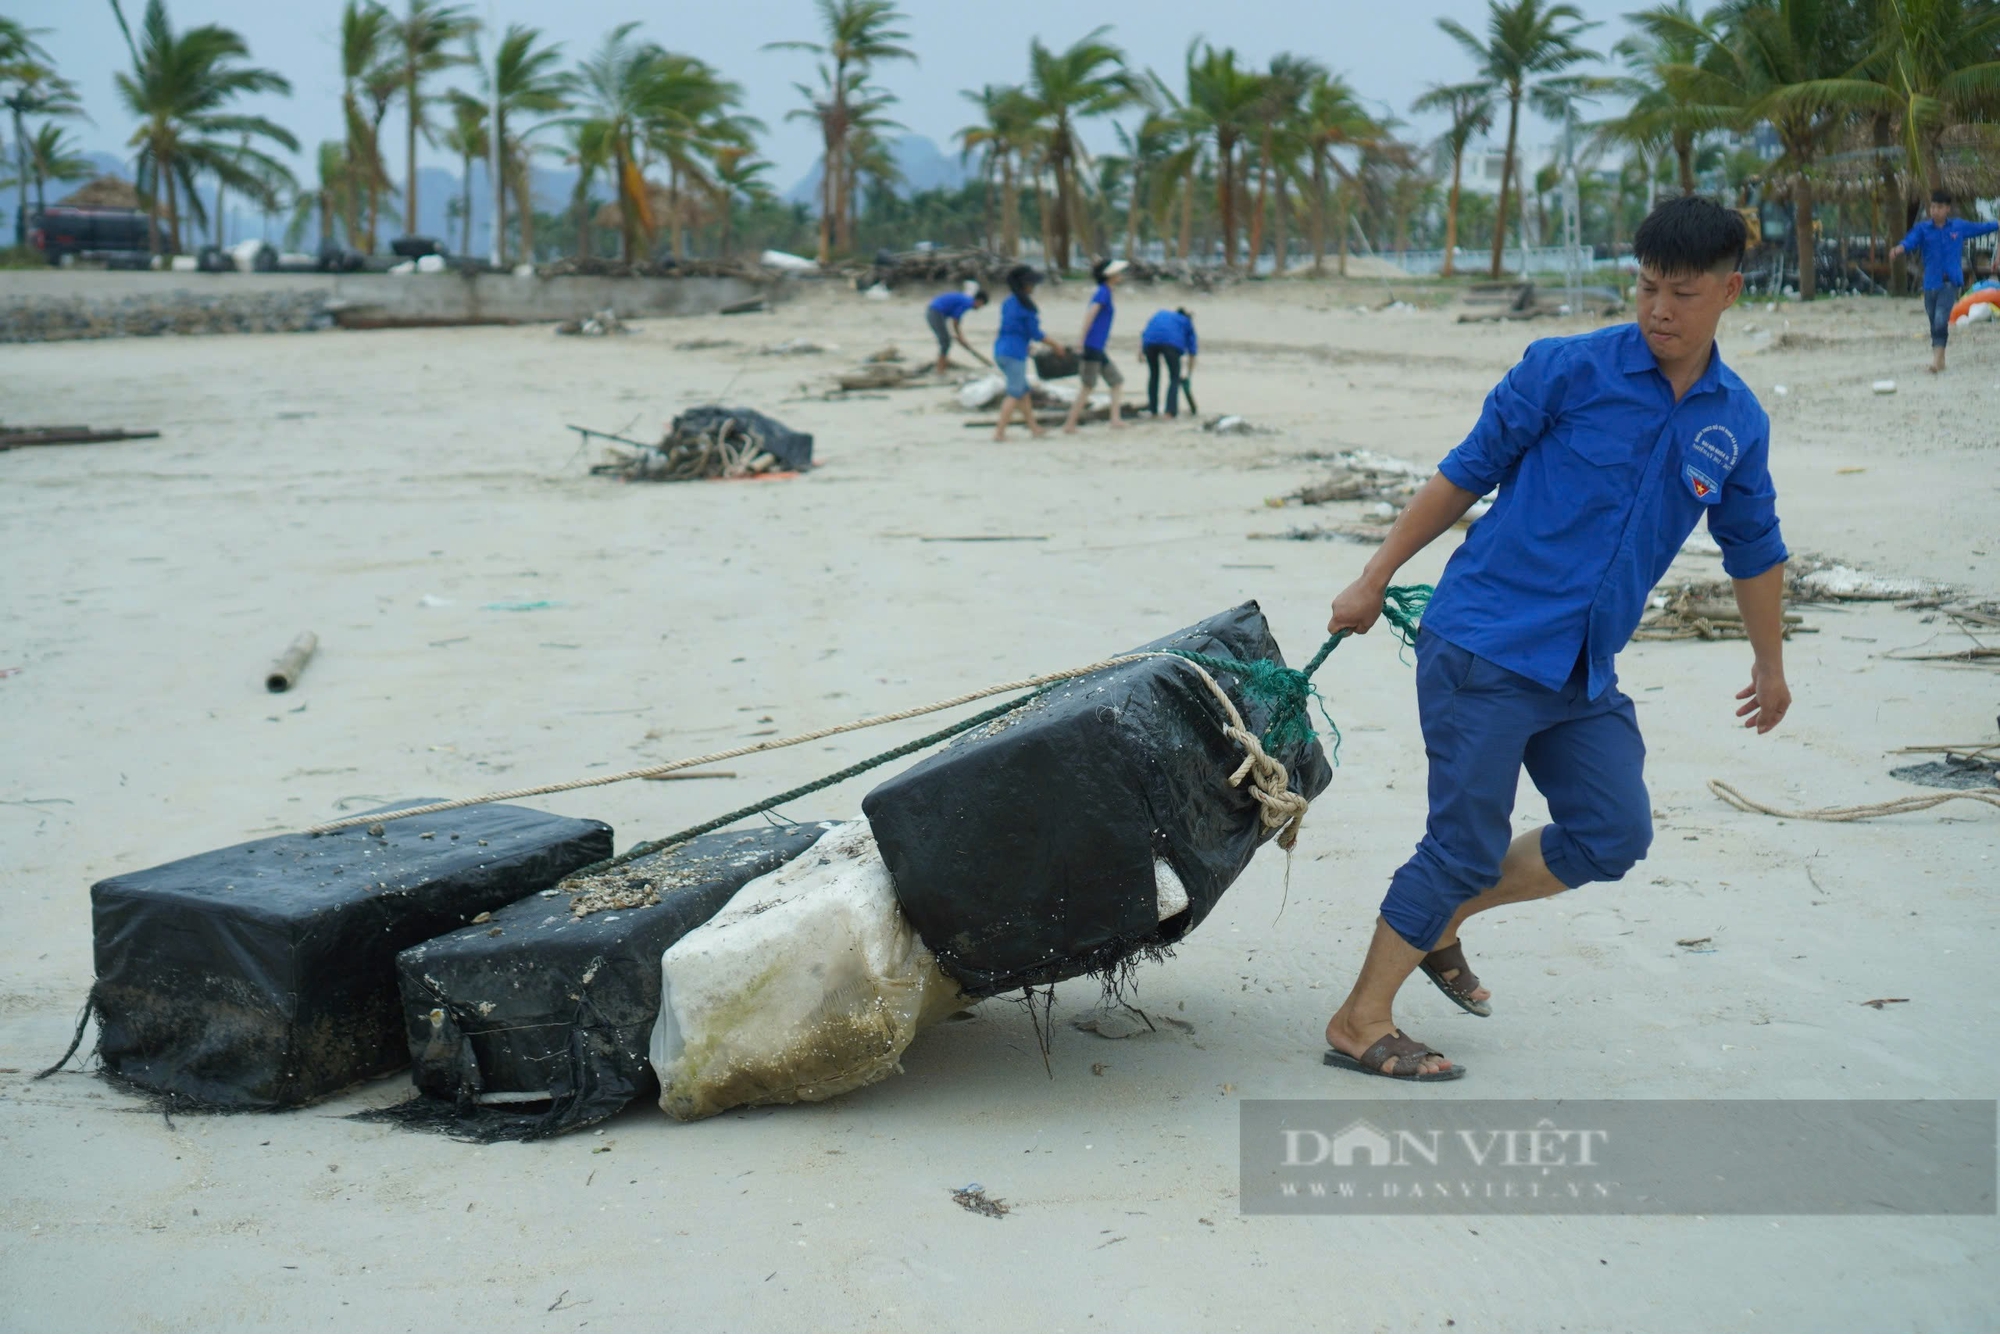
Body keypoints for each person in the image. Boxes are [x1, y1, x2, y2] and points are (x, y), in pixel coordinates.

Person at [1319, 195, 1792, 1081]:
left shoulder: (1735, 422)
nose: (1659, 309)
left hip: (1582, 669)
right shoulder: (1565, 370)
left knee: (1611, 831)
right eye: (1647, 286)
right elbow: (1463, 472)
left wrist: (1770, 664)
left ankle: (1443, 921)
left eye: (1682, 293)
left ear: (1730, 290)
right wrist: (1373, 576)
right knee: (1459, 844)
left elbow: (1754, 547)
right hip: (1485, 644)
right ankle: (1360, 1019)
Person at [1889, 189, 1999, 374]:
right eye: (1932, 207)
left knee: (1941, 319)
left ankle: (1936, 361)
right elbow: (1910, 240)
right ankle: (1940, 357)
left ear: (1947, 209)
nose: (1935, 210)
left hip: (1950, 283)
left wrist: (1996, 224)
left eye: (1939, 207)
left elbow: (1982, 228)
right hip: (1930, 283)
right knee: (1934, 321)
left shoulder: (1958, 227)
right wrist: (1900, 248)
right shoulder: (1923, 229)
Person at [992, 265, 1066, 441]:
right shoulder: (1026, 306)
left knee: (1023, 391)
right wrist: (1056, 345)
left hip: (1001, 350)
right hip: (1014, 353)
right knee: (1014, 392)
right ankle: (999, 432)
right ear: (1025, 284)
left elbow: (1011, 327)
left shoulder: (1008, 302)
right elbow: (1036, 333)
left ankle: (1034, 428)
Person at [1063, 258, 1130, 433]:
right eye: (1117, 273)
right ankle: (1070, 424)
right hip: (1092, 346)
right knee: (1088, 386)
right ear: (1110, 275)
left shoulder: (1106, 291)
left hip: (1098, 347)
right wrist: (1081, 341)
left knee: (1116, 381)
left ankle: (1115, 419)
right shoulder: (1102, 292)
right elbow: (1090, 314)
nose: (1120, 275)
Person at [1140, 307, 1198, 418]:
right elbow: (1192, 352)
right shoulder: (1187, 322)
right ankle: (1169, 412)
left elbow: (1146, 332)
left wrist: (1140, 352)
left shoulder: (1161, 313)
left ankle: (1153, 411)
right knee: (1174, 378)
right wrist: (1189, 375)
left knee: (1154, 375)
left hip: (1149, 342)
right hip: (1171, 344)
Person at [926, 285, 990, 374]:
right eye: (981, 305)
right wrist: (960, 337)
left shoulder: (966, 300)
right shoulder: (967, 303)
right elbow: (955, 321)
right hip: (935, 312)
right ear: (979, 301)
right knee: (945, 341)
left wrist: (959, 336)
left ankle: (942, 365)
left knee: (946, 341)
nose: (979, 309)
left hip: (938, 313)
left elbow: (954, 320)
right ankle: (940, 369)